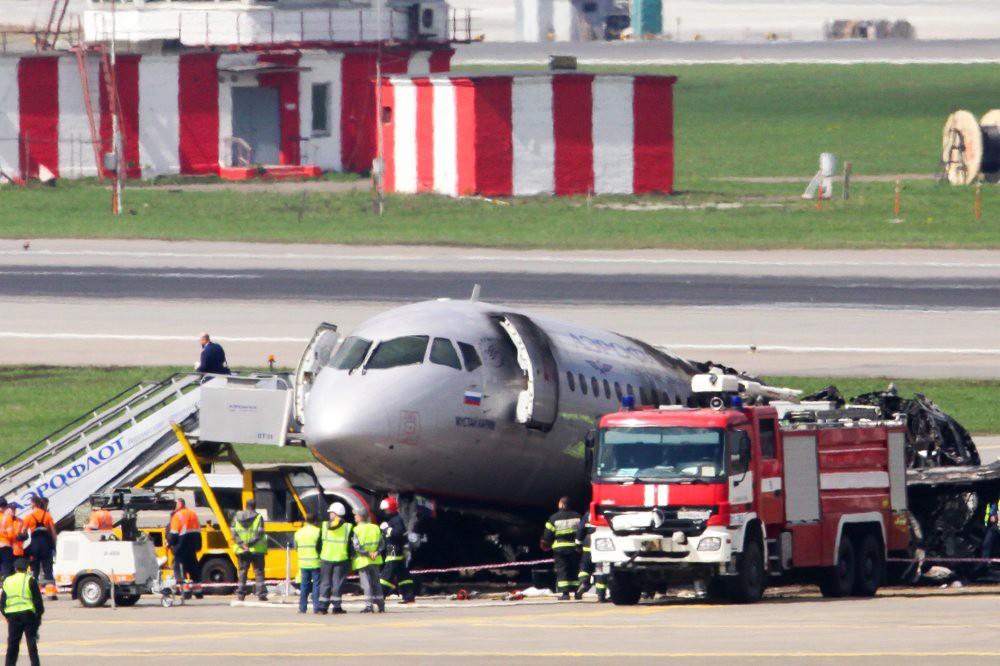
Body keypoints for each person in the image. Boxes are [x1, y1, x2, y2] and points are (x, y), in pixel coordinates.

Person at [1, 558, 42, 666]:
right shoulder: (30, 580)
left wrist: (7, 615)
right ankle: (35, 664)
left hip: (13, 616)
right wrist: (38, 616)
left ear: (15, 568)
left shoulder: (7, 581)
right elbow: (37, 601)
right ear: (26, 568)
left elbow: (2, 602)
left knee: (12, 644)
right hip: (28, 615)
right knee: (31, 643)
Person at [540, 496, 581, 600]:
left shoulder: (554, 518)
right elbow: (582, 531)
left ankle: (565, 594)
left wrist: (546, 543)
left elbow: (547, 535)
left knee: (562, 570)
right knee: (575, 569)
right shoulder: (578, 517)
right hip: (574, 548)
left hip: (560, 549)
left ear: (562, 504)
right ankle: (577, 592)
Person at [378, 497, 415, 604]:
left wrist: (386, 529)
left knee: (386, 575)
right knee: (403, 576)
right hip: (397, 549)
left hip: (393, 550)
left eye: (386, 510)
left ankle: (379, 597)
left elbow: (397, 533)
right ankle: (409, 597)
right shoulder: (394, 519)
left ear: (391, 509)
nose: (385, 512)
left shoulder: (396, 520)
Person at [318, 502, 352, 615]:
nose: (329, 515)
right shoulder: (348, 527)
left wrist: (321, 554)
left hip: (326, 558)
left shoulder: (324, 526)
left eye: (331, 512)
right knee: (338, 584)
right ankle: (337, 607)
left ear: (335, 513)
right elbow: (351, 546)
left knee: (325, 583)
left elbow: (318, 544)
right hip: (341, 559)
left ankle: (322, 607)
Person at [21, 497, 57, 601]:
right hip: (46, 544)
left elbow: (23, 532)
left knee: (34, 569)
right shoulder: (48, 515)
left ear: (33, 504)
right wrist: (54, 545)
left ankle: (33, 594)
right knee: (48, 569)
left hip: (35, 545)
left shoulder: (28, 517)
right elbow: (53, 533)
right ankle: (50, 594)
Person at [232, 498, 267, 602]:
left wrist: (242, 544)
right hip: (256, 550)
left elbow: (234, 533)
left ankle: (241, 595)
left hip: (242, 550)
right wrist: (250, 543)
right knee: (259, 572)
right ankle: (261, 594)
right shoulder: (259, 517)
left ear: (246, 505)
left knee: (242, 572)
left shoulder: (236, 517)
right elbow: (260, 533)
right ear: (255, 506)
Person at [350, 508, 385, 613]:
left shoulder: (357, 530)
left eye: (356, 515)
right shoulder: (375, 528)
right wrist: (376, 552)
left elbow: (356, 546)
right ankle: (381, 605)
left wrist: (367, 553)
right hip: (375, 560)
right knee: (376, 584)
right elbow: (382, 543)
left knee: (366, 585)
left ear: (360, 517)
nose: (355, 517)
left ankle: (369, 606)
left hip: (363, 560)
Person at [167, 498, 203, 599]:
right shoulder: (193, 513)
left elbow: (173, 535)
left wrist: (170, 543)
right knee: (194, 568)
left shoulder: (177, 516)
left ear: (179, 504)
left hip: (181, 545)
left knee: (180, 568)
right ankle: (198, 592)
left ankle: (186, 592)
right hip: (193, 545)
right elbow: (198, 530)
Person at [574, 510, 607, 602]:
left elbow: (581, 529)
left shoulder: (589, 513)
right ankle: (600, 594)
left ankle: (584, 582)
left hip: (588, 543)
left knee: (585, 568)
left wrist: (578, 544)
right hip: (602, 543)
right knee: (600, 569)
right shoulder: (607, 512)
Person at [294, 513, 322, 614]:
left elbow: (296, 547)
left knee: (304, 586)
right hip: (316, 562)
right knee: (316, 585)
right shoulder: (318, 532)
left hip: (303, 562)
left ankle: (302, 608)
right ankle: (316, 607)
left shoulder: (298, 532)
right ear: (315, 521)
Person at [982, 498, 999, 563]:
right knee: (986, 545)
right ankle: (983, 564)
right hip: (994, 527)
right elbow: (992, 518)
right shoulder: (995, 503)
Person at [0, 500, 13, 579]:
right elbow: (11, 534)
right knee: (7, 569)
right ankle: (7, 589)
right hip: (5, 546)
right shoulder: (7, 518)